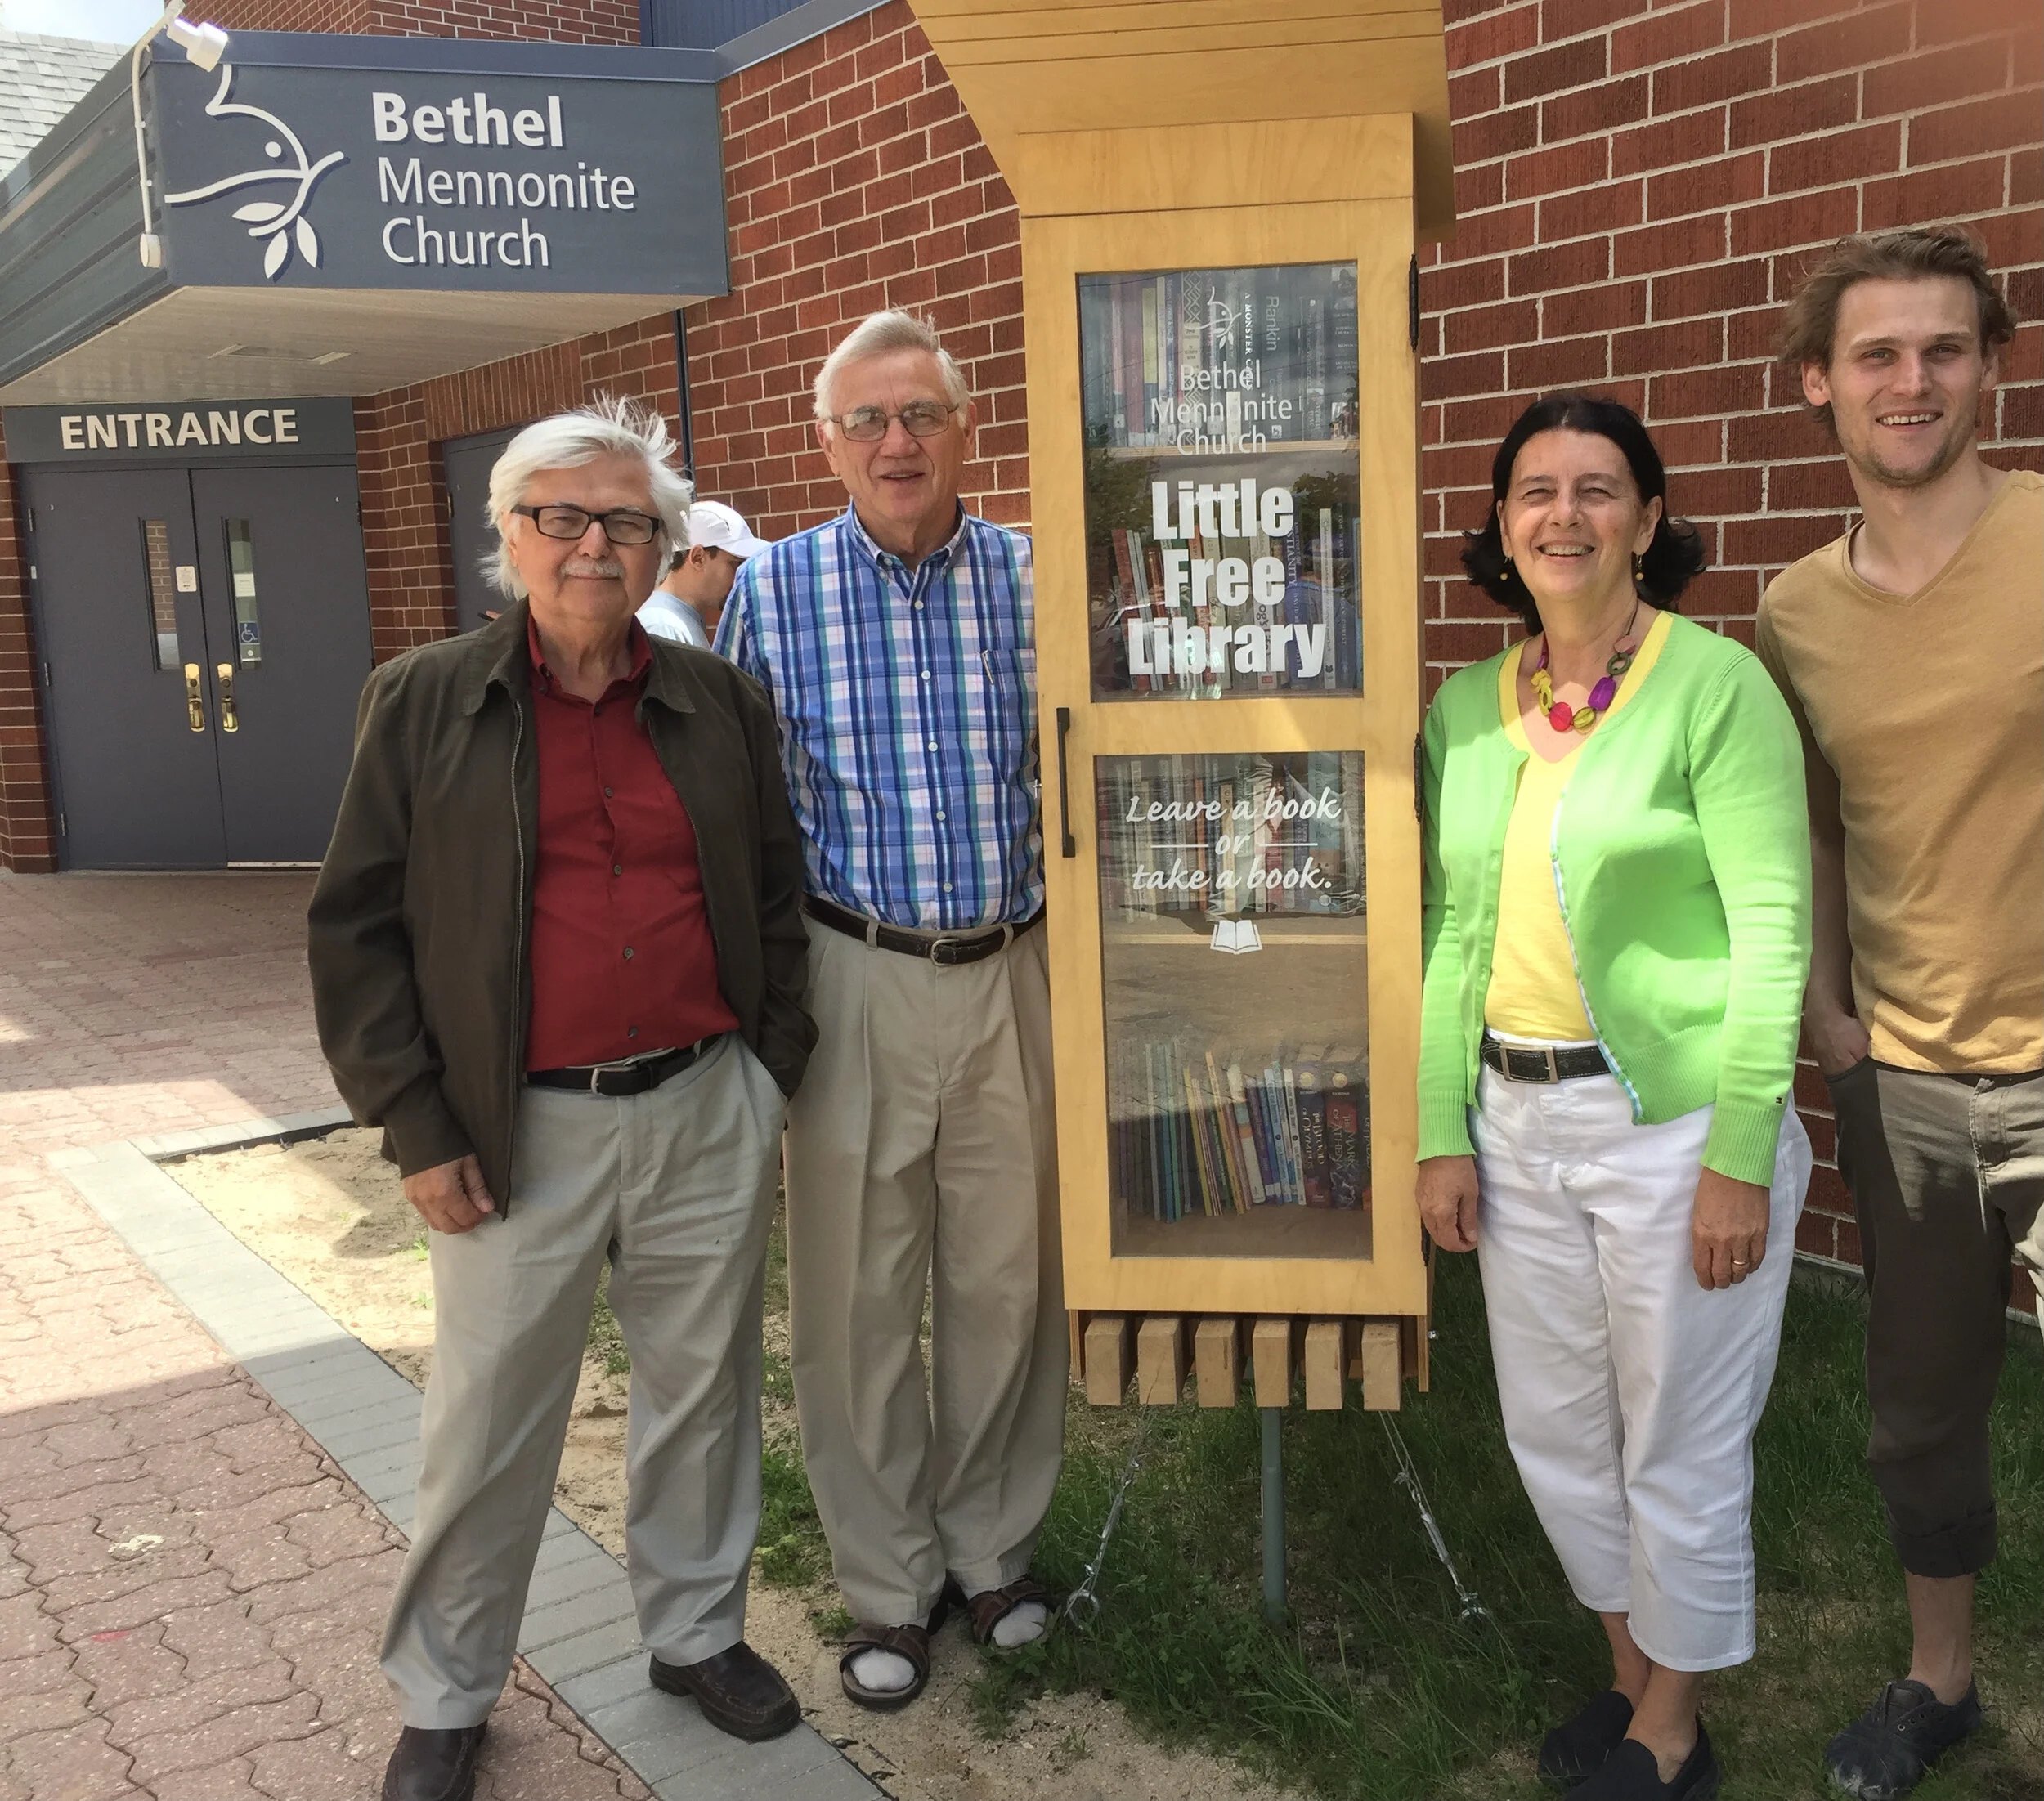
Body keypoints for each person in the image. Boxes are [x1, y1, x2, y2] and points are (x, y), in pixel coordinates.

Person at [307, 398, 815, 1801]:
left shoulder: (718, 701)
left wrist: (770, 1064)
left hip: (705, 1101)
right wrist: (416, 1122)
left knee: (703, 1392)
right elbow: (354, 929)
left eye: (627, 521)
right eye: (565, 518)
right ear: (513, 538)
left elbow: (774, 888)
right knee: (488, 1420)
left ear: (664, 545)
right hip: (510, 1123)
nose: (596, 544)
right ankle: (448, 1689)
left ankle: (696, 1629)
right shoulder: (424, 700)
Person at [1416, 394, 1813, 1801]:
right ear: (1502, 526)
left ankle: (1670, 1728)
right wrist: (1437, 1131)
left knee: (1681, 1430)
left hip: (1678, 1126)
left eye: (1598, 488)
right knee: (1558, 1428)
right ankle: (1633, 1664)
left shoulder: (1718, 685)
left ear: (1649, 518)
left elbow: (1773, 931)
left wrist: (1743, 1155)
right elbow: (1454, 934)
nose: (1564, 515)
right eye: (1535, 490)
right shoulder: (1467, 707)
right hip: (1515, 1124)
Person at [715, 310, 1065, 1710]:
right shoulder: (775, 593)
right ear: (828, 443)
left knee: (1004, 1278)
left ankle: (994, 1550)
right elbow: (737, 816)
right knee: (860, 1292)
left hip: (1014, 967)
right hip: (852, 971)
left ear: (966, 425)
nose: (896, 441)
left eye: (919, 413)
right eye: (866, 421)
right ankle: (885, 1580)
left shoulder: (1041, 581)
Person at [1755, 227, 2042, 1801]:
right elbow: (1804, 826)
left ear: (1991, 364)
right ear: (1823, 387)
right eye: (1876, 355)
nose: (1910, 379)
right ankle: (1942, 1679)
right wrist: (1826, 1012)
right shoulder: (1798, 613)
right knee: (1919, 1408)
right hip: (1910, 1079)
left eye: (1942, 348)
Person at [640, 499, 769, 647]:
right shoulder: (662, 625)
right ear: (697, 558)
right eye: (736, 564)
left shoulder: (676, 619)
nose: (741, 576)